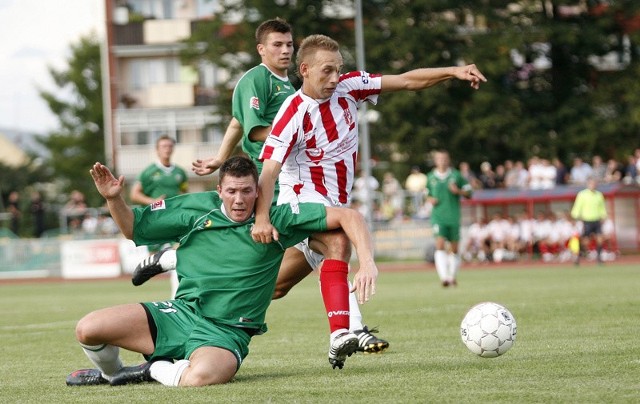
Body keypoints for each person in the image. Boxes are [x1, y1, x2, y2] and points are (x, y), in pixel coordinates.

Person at [148, 20, 390, 353]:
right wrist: (299, 134)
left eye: (289, 44)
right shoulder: (256, 80)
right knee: (329, 239)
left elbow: (236, 122)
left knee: (277, 283)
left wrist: (220, 157)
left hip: (284, 181)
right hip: (268, 185)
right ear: (261, 49)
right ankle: (351, 328)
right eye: (277, 44)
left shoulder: (291, 87)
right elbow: (254, 128)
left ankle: (348, 328)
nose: (285, 50)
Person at [66, 156, 378, 388]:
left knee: (201, 378)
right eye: (231, 191)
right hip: (180, 313)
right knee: (88, 328)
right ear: (219, 190)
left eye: (246, 191)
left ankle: (151, 370)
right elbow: (133, 227)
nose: (239, 199)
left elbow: (348, 217)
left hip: (227, 331)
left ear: (258, 191)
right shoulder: (196, 208)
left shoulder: (277, 219)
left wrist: (367, 263)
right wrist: (114, 199)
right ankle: (112, 374)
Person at [253, 33, 483, 332]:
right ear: (305, 70)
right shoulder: (292, 112)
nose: (336, 77)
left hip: (331, 202)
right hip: (300, 202)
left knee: (274, 288)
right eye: (327, 70)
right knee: (340, 239)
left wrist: (452, 72)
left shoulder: (350, 87)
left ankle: (209, 296)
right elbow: (268, 172)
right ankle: (349, 332)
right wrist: (261, 218)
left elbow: (407, 81)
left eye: (338, 68)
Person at [131, 134, 188, 297]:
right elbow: (134, 194)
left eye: (170, 146)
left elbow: (184, 193)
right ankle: (151, 264)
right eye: (163, 146)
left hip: (175, 222)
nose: (167, 149)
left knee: (180, 256)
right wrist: (154, 201)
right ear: (157, 150)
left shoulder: (180, 173)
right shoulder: (149, 172)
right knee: (169, 258)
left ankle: (177, 299)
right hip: (156, 222)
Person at [425, 150, 473, 286]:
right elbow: (426, 193)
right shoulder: (430, 177)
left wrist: (458, 191)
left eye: (444, 159)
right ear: (435, 161)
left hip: (453, 216)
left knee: (455, 248)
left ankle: (452, 276)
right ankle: (444, 278)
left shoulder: (456, 175)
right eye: (439, 159)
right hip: (438, 217)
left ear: (448, 160)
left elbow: (470, 192)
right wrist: (430, 199)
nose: (442, 161)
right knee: (439, 245)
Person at [570, 177, 608, 265]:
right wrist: (575, 216)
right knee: (585, 241)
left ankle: (599, 258)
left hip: (597, 220)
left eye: (594, 183)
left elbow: (602, 207)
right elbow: (577, 206)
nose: (593, 185)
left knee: (600, 239)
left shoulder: (599, 195)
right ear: (588, 184)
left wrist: (604, 216)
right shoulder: (582, 194)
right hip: (587, 220)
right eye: (591, 183)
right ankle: (578, 256)